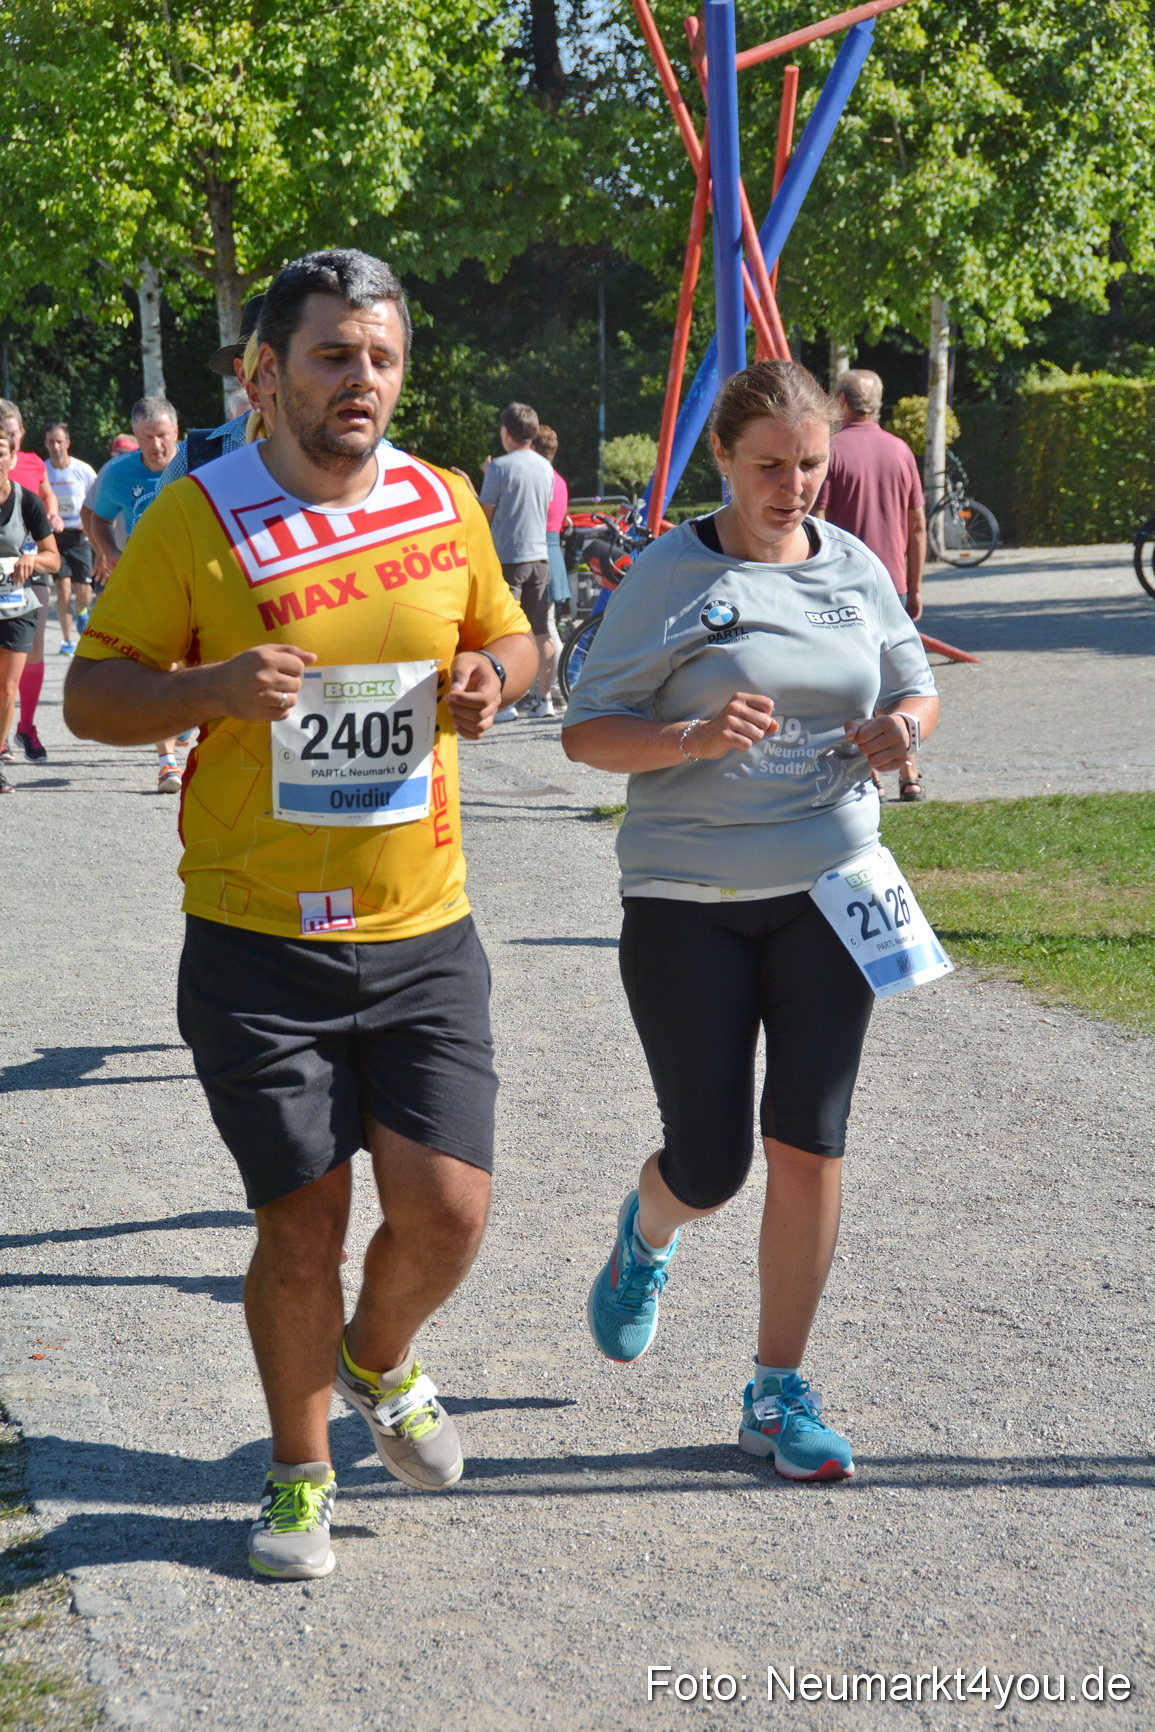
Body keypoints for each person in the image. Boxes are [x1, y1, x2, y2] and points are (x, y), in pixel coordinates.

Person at [65, 247, 537, 1580]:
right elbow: (92, 698)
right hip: (256, 938)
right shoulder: (198, 517)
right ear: (270, 372)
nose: (363, 382)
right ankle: (296, 1472)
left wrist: (489, 681)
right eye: (335, 355)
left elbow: (514, 639)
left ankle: (375, 1359)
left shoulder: (443, 502)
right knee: (302, 1222)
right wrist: (211, 690)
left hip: (419, 927)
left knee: (447, 1209)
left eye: (381, 358)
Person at [561, 360, 939, 1482]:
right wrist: (690, 739)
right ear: (722, 458)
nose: (795, 485)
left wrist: (901, 731)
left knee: (811, 1143)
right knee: (715, 1161)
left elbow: (915, 684)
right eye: (770, 465)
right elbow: (587, 730)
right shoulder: (670, 575)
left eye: (812, 464)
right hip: (689, 903)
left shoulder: (855, 568)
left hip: (834, 890)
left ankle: (777, 1391)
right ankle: (649, 1232)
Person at [813, 368, 928, 802]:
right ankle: (909, 772)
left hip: (842, 583)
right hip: (892, 584)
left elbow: (816, 521)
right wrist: (915, 585)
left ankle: (872, 775)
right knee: (900, 681)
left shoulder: (830, 452)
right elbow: (916, 525)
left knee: (853, 682)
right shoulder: (901, 452)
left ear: (840, 402)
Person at [85, 396, 185, 790]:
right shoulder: (119, 473)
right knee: (157, 664)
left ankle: (182, 718)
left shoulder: (199, 463)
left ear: (176, 431)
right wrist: (109, 552)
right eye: (146, 438)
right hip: (146, 578)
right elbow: (97, 517)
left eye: (161, 436)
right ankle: (167, 762)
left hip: (192, 575)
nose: (156, 445)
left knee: (186, 663)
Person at [462, 402, 555, 720]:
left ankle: (507, 701)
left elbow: (483, 516)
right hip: (539, 556)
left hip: (509, 558)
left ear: (505, 432)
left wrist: (471, 484)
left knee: (504, 633)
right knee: (541, 631)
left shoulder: (500, 467)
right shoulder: (545, 467)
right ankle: (545, 699)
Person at [154, 295, 266, 492]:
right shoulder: (202, 456)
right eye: (267, 364)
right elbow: (147, 519)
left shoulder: (333, 451)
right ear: (242, 373)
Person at [0, 426, 60, 790]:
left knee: (7, 689)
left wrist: (32, 560)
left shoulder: (27, 502)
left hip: (17, 605)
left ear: (11, 458)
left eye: (0, 452)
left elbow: (53, 558)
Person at [43, 423, 97, 658]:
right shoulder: (42, 471)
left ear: (67, 443)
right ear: (46, 444)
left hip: (80, 535)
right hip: (54, 538)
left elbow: (98, 501)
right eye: (51, 442)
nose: (55, 447)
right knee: (63, 588)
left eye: (59, 441)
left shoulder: (83, 470)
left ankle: (82, 610)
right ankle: (67, 640)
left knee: (83, 592)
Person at [532, 423, 573, 619]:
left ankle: (563, 652)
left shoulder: (539, 481)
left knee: (543, 628)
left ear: (532, 448)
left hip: (539, 558)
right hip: (553, 556)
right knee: (547, 625)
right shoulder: (560, 481)